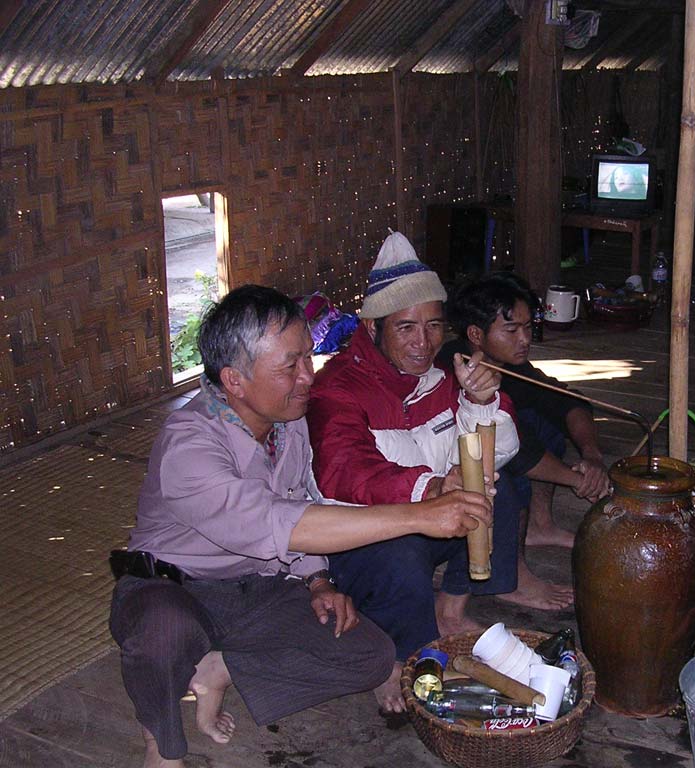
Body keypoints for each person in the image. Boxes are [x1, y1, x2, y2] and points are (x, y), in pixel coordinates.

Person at [108, 285, 492, 768]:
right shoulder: (189, 442)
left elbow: (301, 501)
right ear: (234, 380)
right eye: (290, 366)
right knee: (162, 631)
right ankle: (161, 745)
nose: (309, 376)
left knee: (371, 657)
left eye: (308, 358)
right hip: (173, 586)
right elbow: (273, 520)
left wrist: (317, 580)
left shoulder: (288, 425)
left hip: (258, 589)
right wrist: (421, 513)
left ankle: (220, 668)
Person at [306, 231, 521, 713]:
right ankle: (396, 659)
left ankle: (450, 610)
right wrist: (431, 490)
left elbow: (496, 454)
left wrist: (481, 402)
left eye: (433, 326)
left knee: (497, 493)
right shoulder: (336, 388)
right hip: (361, 538)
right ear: (372, 327)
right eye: (405, 328)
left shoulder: (440, 376)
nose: (423, 342)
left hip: (430, 517)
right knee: (398, 556)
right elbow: (343, 469)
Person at [443, 272, 611, 583]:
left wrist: (592, 455)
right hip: (455, 469)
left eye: (527, 326)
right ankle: (514, 577)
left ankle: (541, 526)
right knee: (509, 477)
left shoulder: (510, 365)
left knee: (544, 418)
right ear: (476, 335)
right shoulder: (457, 368)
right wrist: (579, 481)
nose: (525, 338)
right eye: (512, 330)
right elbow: (519, 451)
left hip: (509, 449)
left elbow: (568, 402)